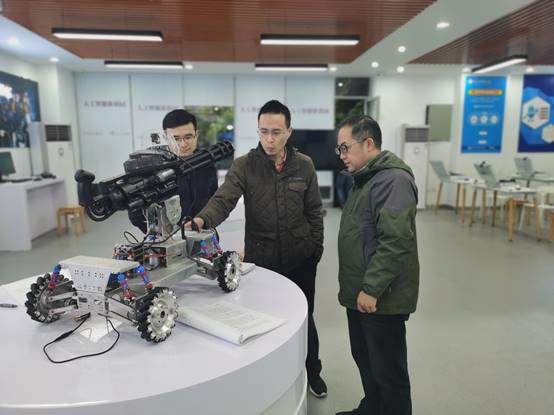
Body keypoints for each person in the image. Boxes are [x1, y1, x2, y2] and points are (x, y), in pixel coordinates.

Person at [188, 100, 328, 397]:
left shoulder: (304, 165)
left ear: (289, 132)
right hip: (263, 260)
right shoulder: (245, 165)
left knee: (305, 317)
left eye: (276, 132)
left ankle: (312, 370)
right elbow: (223, 200)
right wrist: (202, 220)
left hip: (301, 258)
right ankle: (273, 375)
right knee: (264, 319)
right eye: (264, 132)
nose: (269, 139)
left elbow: (315, 211)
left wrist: (316, 249)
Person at [335, 115, 419, 415]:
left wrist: (371, 288)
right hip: (361, 293)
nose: (342, 155)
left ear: (368, 143)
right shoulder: (366, 178)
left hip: (382, 297)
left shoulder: (393, 180)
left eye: (345, 148)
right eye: (339, 149)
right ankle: (372, 407)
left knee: (388, 370)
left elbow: (395, 241)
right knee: (366, 359)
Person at [129, 109, 218, 233]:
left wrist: (205, 223)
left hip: (204, 234)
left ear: (196, 134)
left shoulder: (206, 163)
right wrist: (162, 235)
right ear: (166, 138)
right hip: (168, 239)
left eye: (188, 137)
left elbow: (216, 202)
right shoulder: (154, 170)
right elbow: (136, 215)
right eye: (176, 138)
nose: (183, 144)